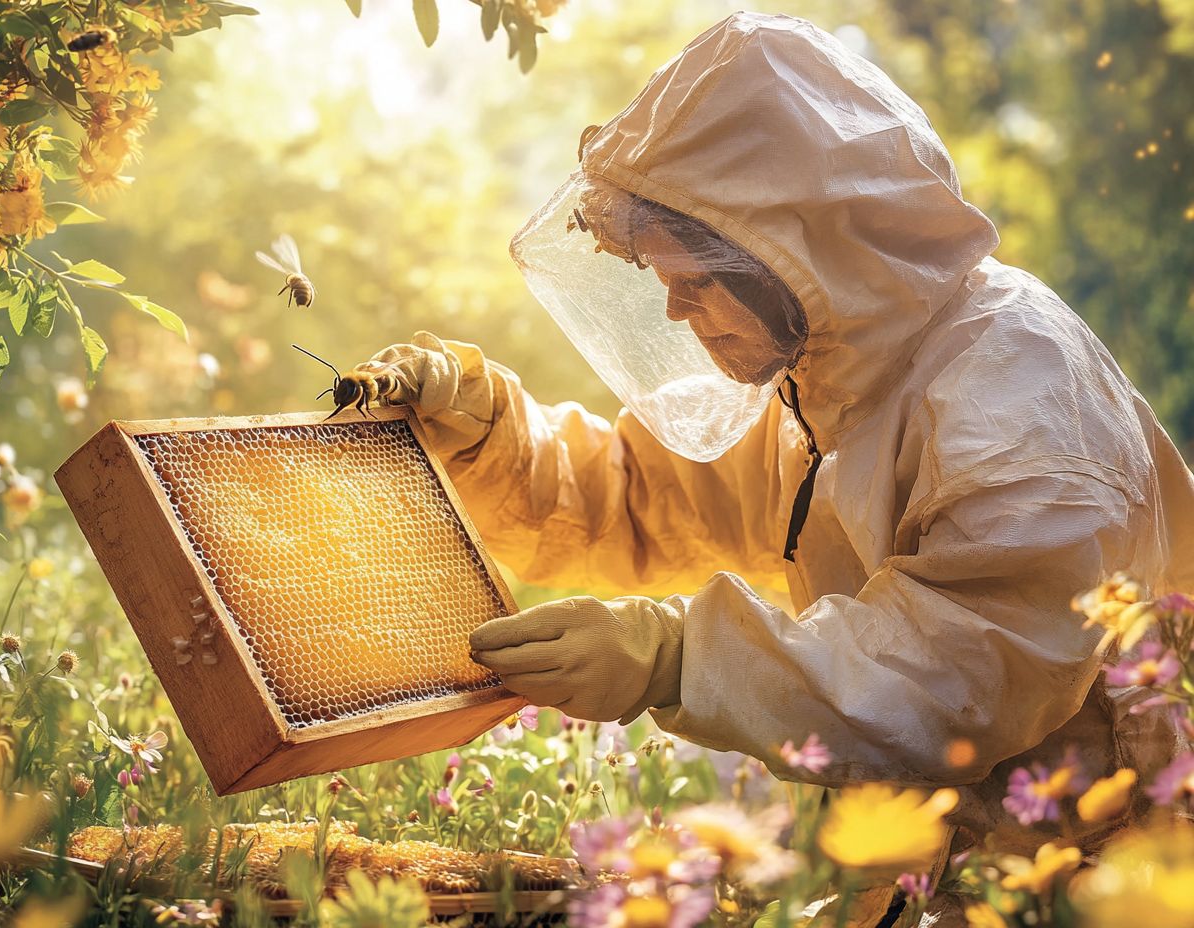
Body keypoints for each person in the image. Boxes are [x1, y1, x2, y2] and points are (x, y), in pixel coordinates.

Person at [361, 13, 1194, 925]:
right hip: (944, 870)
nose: (676, 309)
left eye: (696, 277)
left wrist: (678, 656)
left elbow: (958, 676)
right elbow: (639, 502)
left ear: (795, 254)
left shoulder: (1019, 399)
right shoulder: (826, 373)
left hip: (1119, 876)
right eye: (657, 275)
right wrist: (487, 431)